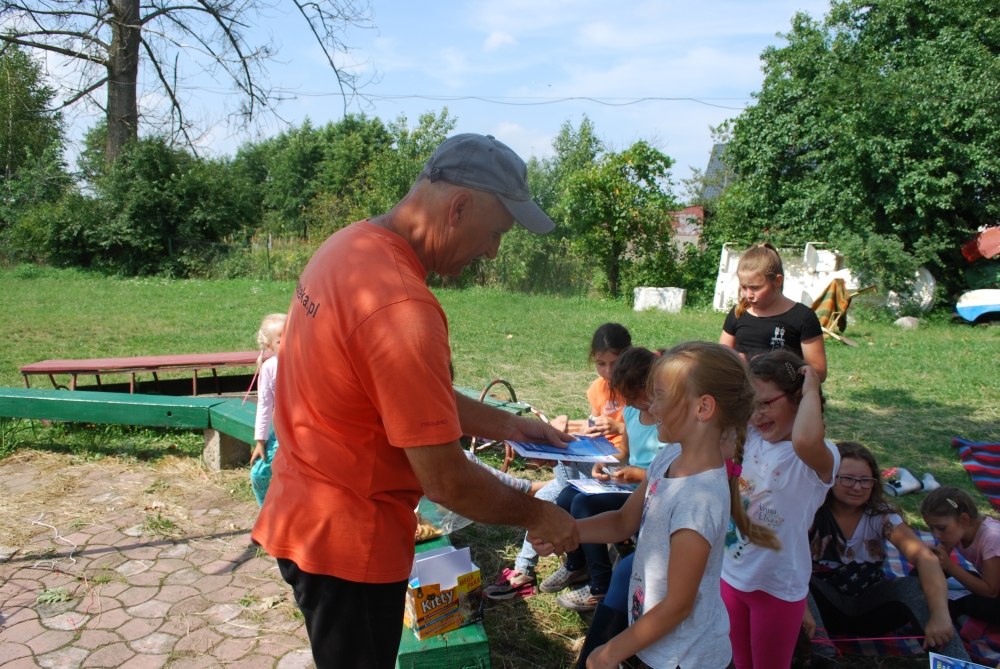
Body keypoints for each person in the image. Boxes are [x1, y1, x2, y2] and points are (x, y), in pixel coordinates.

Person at [251, 133, 580, 669]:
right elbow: (446, 480)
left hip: (303, 512)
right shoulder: (401, 307)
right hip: (350, 546)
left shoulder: (347, 247)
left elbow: (400, 395)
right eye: (496, 233)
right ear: (459, 207)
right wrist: (537, 514)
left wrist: (510, 426)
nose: (492, 252)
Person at [534, 341, 779, 669]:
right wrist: (567, 531)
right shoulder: (671, 456)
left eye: (661, 396)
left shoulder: (699, 499)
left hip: (684, 658)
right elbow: (623, 521)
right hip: (660, 646)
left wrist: (610, 652)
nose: (652, 407)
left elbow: (678, 606)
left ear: (703, 408)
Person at [485, 323, 631, 600]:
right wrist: (569, 427)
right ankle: (528, 568)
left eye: (615, 363)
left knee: (565, 486)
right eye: (601, 364)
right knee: (555, 488)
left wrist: (619, 428)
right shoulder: (598, 389)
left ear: (629, 355)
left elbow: (650, 434)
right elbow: (591, 428)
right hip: (599, 460)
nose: (608, 372)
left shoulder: (636, 388)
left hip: (622, 465)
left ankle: (541, 567)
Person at [721, 349, 839, 669]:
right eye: (752, 405)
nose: (757, 415)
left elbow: (805, 440)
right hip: (731, 577)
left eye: (765, 403)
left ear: (798, 399)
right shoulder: (750, 438)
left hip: (776, 589)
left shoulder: (817, 457)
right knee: (741, 663)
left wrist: (811, 390)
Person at [804, 442, 967, 664]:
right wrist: (802, 609)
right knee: (797, 579)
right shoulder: (810, 511)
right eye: (848, 478)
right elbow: (783, 562)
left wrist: (940, 615)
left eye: (866, 480)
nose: (857, 487)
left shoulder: (881, 515)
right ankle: (825, 659)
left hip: (870, 608)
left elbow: (924, 557)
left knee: (915, 587)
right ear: (830, 477)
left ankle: (956, 663)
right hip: (822, 609)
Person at [546, 346, 680, 613]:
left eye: (633, 396)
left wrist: (637, 474)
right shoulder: (632, 412)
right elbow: (625, 452)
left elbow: (670, 471)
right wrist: (604, 462)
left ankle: (600, 585)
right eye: (625, 397)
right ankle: (576, 564)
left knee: (583, 505)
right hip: (628, 482)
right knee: (567, 495)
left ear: (651, 387)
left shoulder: (666, 419)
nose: (629, 403)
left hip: (648, 490)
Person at [719, 242, 828, 382]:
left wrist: (776, 366)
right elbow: (722, 358)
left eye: (755, 288)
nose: (748, 295)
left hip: (786, 394)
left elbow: (819, 372)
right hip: (744, 393)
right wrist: (736, 362)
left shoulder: (802, 317)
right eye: (744, 287)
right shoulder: (738, 313)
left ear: (777, 281)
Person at [922, 486, 1000, 631]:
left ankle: (965, 617)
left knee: (986, 606)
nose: (936, 535)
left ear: (964, 519)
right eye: (932, 528)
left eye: (941, 528)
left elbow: (991, 591)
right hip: (989, 584)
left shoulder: (992, 536)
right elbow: (936, 563)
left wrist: (949, 565)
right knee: (920, 576)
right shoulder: (957, 532)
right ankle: (961, 614)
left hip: (993, 594)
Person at [249, 313, 286, 507]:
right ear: (269, 345)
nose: (289, 341)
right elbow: (264, 405)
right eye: (281, 340)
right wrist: (260, 442)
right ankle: (268, 515)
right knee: (258, 475)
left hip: (309, 433)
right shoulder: (270, 368)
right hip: (282, 434)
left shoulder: (307, 362)